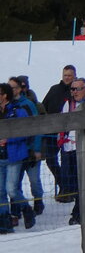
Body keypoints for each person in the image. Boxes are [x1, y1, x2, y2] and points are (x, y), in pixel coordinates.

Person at [8, 76, 45, 217]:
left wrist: (36, 149)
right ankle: (16, 210)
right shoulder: (6, 105)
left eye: (14, 88)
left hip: (30, 149)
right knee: (14, 182)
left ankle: (38, 200)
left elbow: (36, 127)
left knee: (34, 180)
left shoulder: (27, 104)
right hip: (16, 151)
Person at [0, 82, 35, 232]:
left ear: (5, 95)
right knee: (0, 191)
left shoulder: (17, 110)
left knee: (11, 189)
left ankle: (26, 209)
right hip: (0, 157)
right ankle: (4, 221)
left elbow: (26, 131)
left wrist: (8, 139)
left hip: (14, 156)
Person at [58, 78, 85, 226]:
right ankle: (80, 210)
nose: (74, 92)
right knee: (72, 182)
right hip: (69, 149)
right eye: (72, 89)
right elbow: (62, 123)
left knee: (83, 182)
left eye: (76, 89)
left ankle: (79, 212)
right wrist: (61, 139)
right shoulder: (68, 104)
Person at [41, 64, 76, 202]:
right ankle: (64, 184)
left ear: (74, 76)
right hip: (51, 132)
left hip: (68, 133)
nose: (67, 78)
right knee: (50, 160)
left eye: (69, 75)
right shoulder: (54, 89)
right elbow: (44, 107)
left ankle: (68, 189)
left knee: (68, 161)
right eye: (65, 75)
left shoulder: (76, 90)